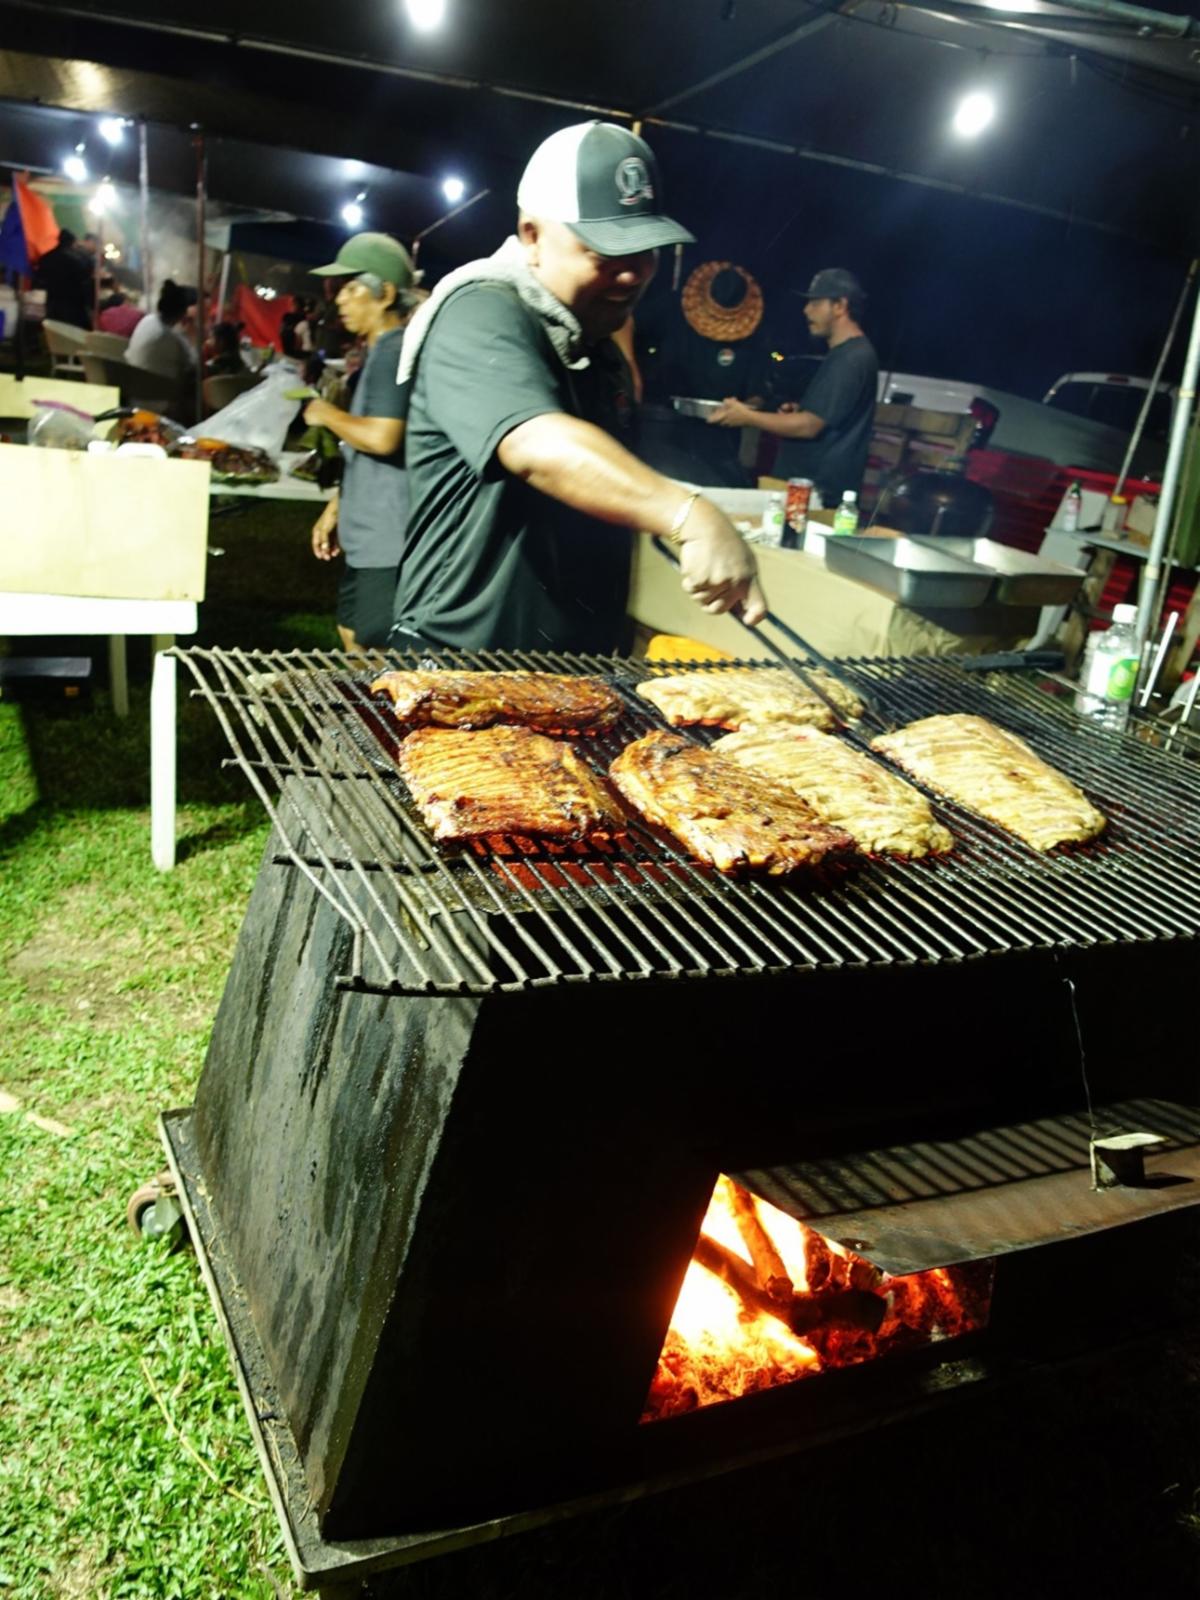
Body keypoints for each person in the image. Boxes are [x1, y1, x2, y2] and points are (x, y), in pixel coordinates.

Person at [390, 120, 763, 654]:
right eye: (606, 252)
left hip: (575, 674)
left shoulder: (598, 346)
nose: (633, 274)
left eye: (646, 251)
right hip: (462, 663)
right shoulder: (480, 311)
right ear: (532, 236)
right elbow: (535, 444)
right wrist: (688, 514)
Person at [303, 234, 422, 651]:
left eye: (352, 289)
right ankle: (365, 715)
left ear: (385, 294)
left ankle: (381, 717)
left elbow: (384, 436)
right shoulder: (379, 352)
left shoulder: (393, 351)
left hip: (389, 537)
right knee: (353, 635)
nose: (340, 300)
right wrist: (337, 506)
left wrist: (325, 414)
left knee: (375, 650)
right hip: (370, 532)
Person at [708, 268, 878, 507]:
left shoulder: (852, 358)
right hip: (805, 492)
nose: (806, 310)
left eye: (815, 303)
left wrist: (746, 416)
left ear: (840, 306)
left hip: (816, 496)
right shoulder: (844, 355)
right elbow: (823, 416)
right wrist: (800, 410)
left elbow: (809, 426)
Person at [126, 279, 197, 381]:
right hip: (158, 390)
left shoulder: (147, 320)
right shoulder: (169, 337)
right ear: (183, 312)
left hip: (132, 381)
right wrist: (193, 337)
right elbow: (193, 365)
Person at [35, 227, 93, 329]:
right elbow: (85, 280)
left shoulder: (46, 258)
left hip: (52, 302)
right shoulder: (77, 260)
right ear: (72, 242)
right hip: (72, 306)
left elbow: (39, 278)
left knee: (53, 331)